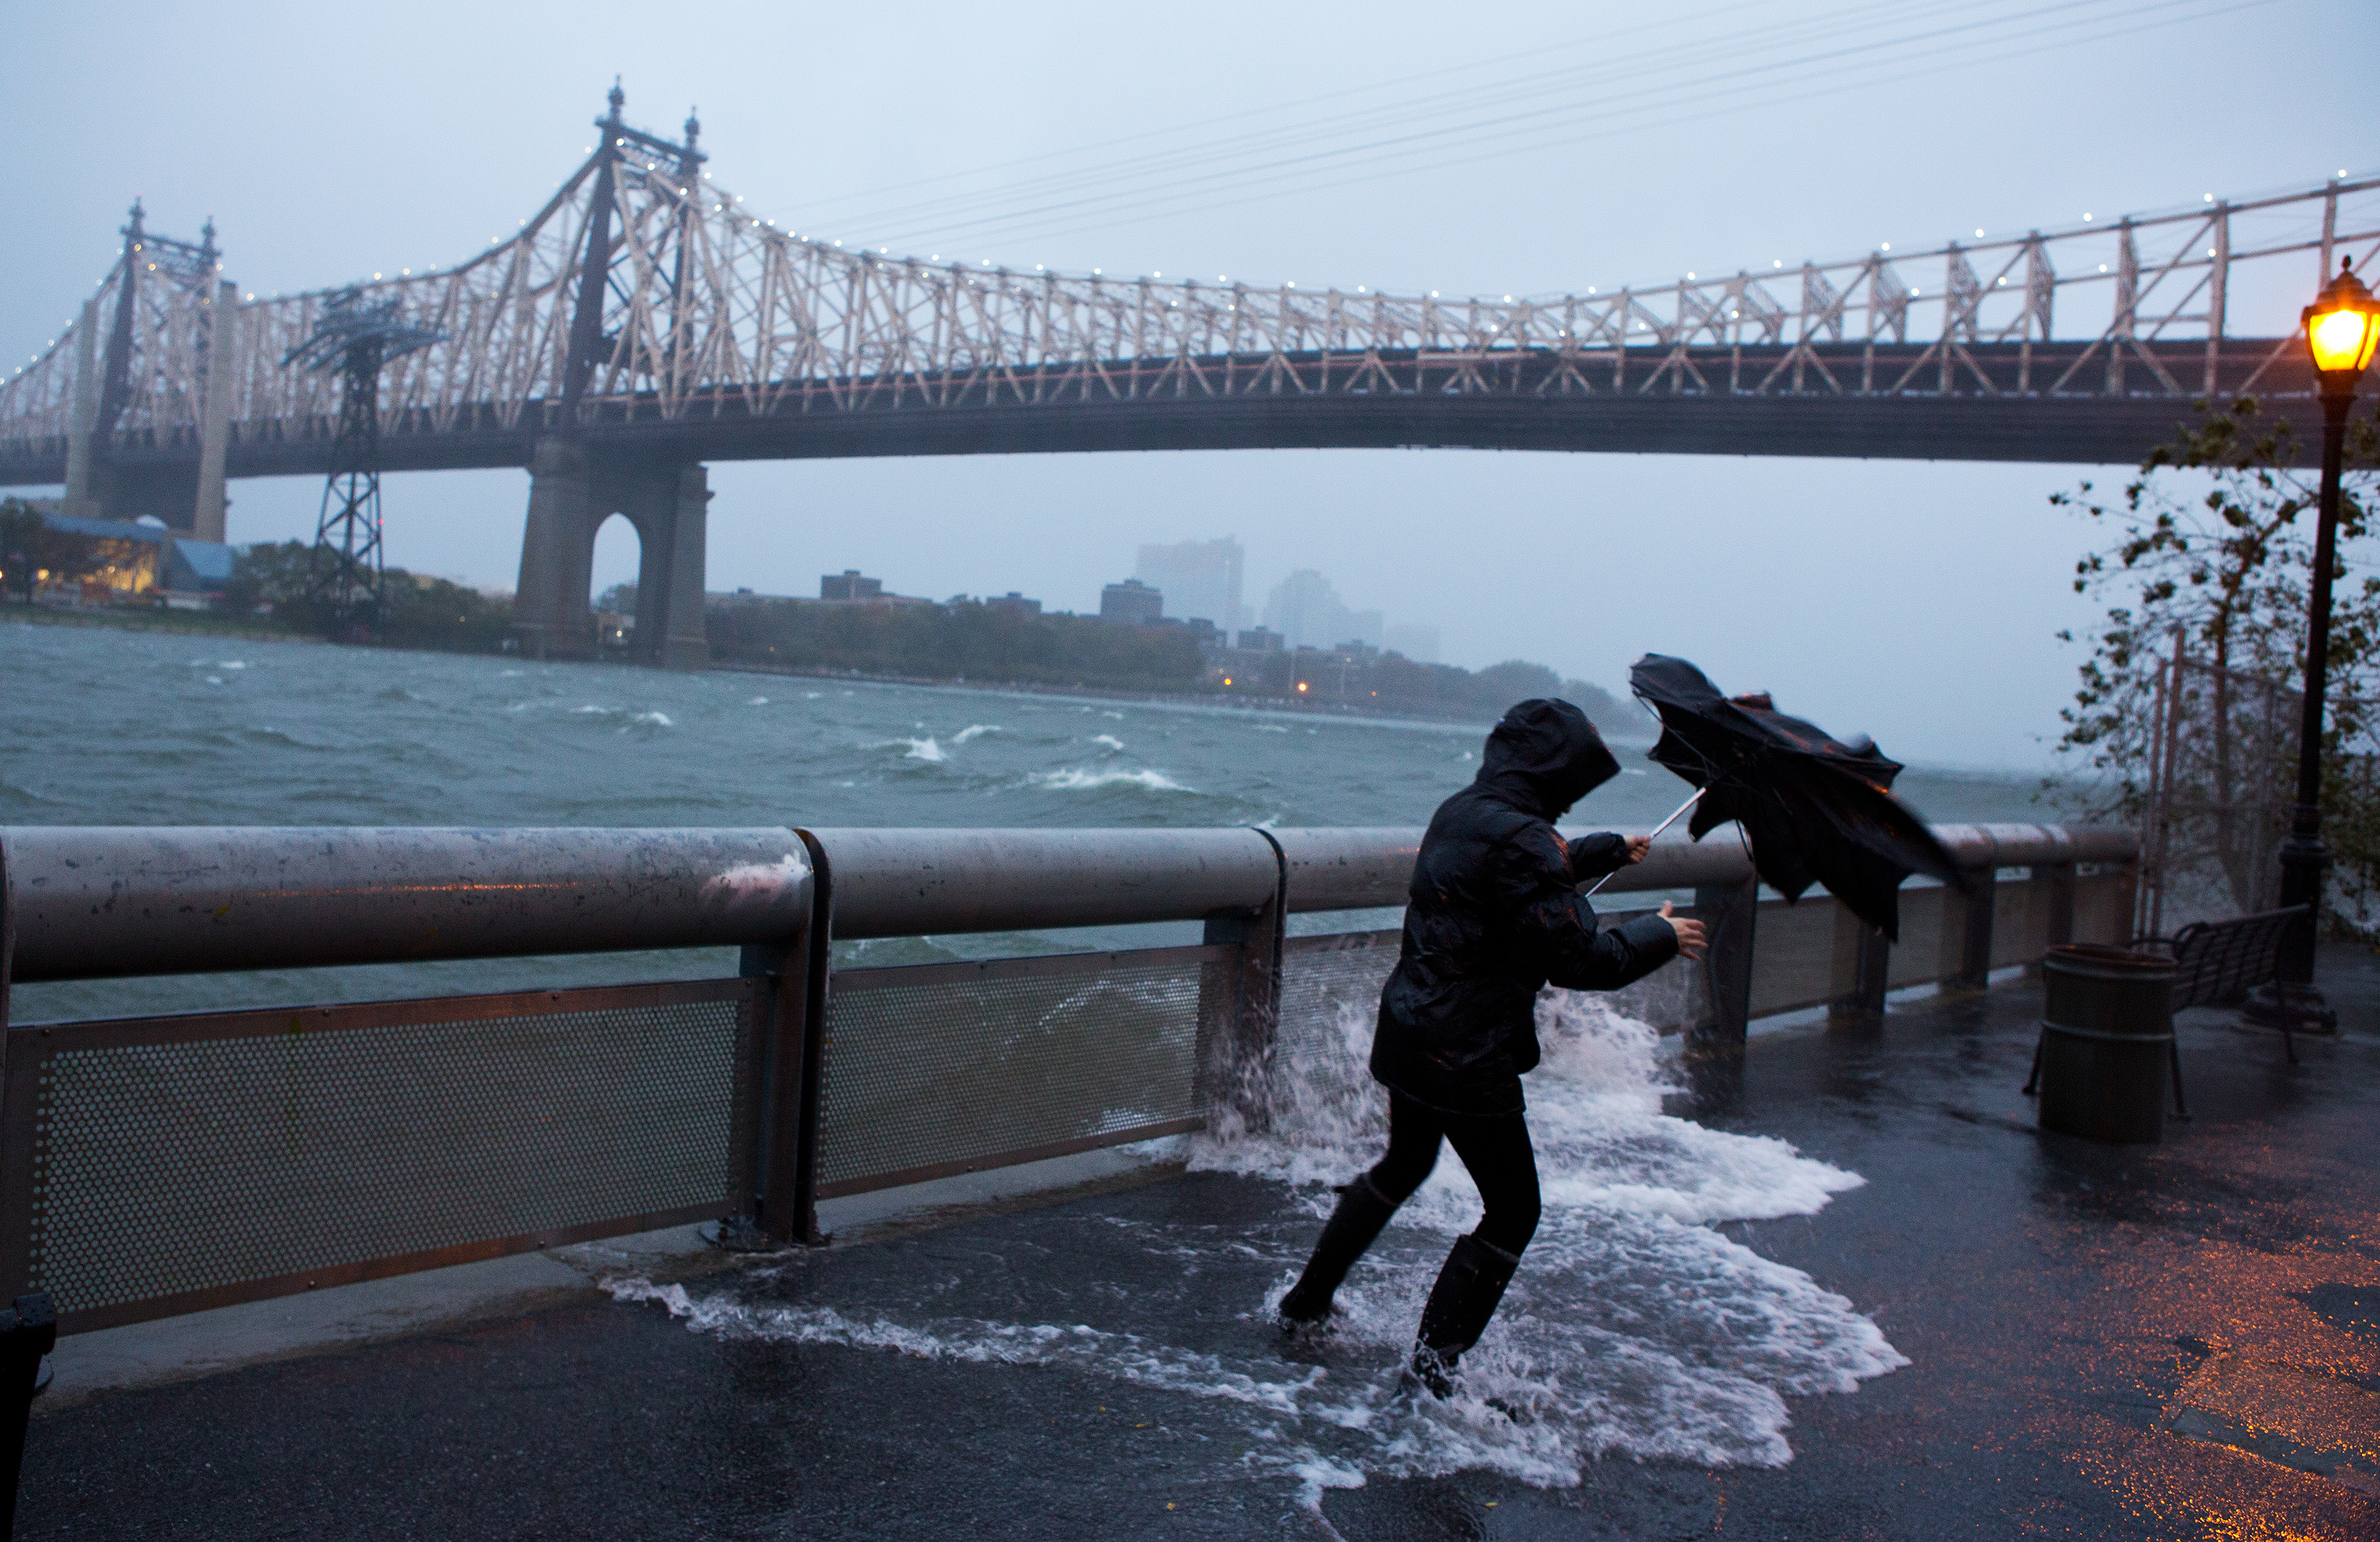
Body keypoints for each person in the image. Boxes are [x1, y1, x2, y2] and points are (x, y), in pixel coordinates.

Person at [1276, 697, 1708, 1397]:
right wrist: (1659, 934)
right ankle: (1432, 1372)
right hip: (1467, 1053)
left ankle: (1306, 1302)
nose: (1577, 791)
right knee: (1513, 1211)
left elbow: (1512, 879)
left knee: (1405, 1161)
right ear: (1554, 770)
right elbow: (1577, 957)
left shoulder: (1467, 809)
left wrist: (1603, 850)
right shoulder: (1524, 840)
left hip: (1412, 1027)